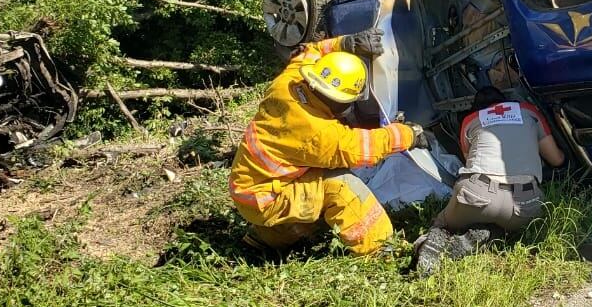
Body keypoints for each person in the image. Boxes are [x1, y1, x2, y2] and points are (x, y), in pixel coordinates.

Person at [229, 28, 427, 255]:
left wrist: (347, 43)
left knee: (310, 189)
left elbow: (311, 51)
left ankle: (265, 240)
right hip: (266, 198)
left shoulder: (289, 83)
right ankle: (380, 250)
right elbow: (365, 147)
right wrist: (410, 134)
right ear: (340, 101)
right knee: (340, 185)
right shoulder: (317, 133)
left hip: (249, 187)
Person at [414, 87, 566, 275]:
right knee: (508, 231)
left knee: (443, 224)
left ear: (478, 108)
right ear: (505, 101)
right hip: (524, 200)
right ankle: (487, 236)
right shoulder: (529, 112)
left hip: (477, 191)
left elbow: (469, 160)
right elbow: (557, 160)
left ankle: (433, 245)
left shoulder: (470, 120)